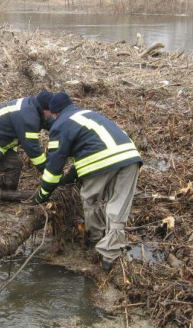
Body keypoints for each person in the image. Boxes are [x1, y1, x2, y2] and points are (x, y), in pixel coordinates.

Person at [31, 92, 142, 272]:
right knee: (118, 207)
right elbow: (89, 147)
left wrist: (42, 194)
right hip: (130, 156)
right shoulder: (88, 114)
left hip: (100, 161)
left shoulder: (59, 125)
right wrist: (68, 180)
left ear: (54, 113)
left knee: (90, 199)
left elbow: (54, 167)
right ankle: (109, 256)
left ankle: (95, 239)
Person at [0, 90, 54, 216]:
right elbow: (34, 151)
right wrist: (49, 173)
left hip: (2, 141)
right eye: (52, 112)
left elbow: (52, 124)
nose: (52, 115)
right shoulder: (28, 117)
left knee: (15, 164)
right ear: (45, 109)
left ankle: (7, 196)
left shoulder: (35, 108)